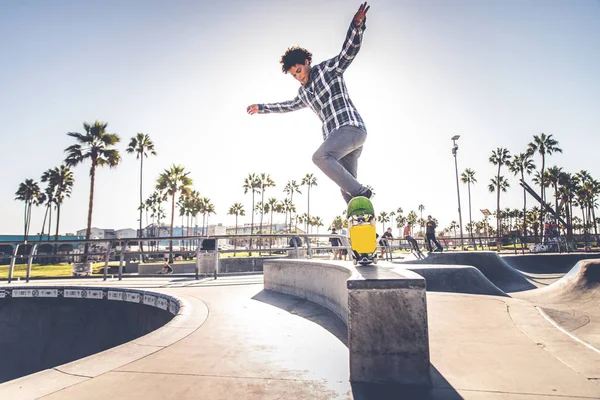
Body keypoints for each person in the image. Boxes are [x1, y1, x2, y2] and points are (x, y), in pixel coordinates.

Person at [246, 3, 372, 204]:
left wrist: (356, 26)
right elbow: (287, 106)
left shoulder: (327, 70)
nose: (298, 77)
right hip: (341, 142)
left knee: (320, 157)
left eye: (299, 71)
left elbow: (348, 53)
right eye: (293, 75)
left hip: (351, 129)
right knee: (346, 189)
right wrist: (261, 108)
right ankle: (362, 224)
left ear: (307, 62)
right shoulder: (303, 93)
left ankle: (364, 193)